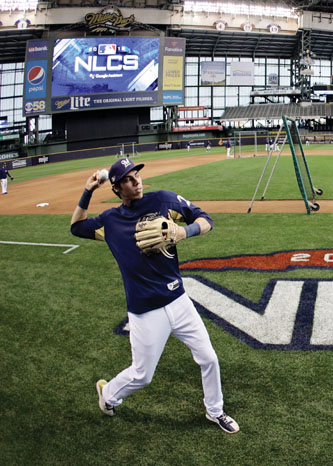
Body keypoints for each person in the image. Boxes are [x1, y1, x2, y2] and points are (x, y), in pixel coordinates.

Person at [69, 158, 239, 435]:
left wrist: (183, 231)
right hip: (145, 310)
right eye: (127, 179)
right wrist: (88, 190)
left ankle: (215, 411)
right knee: (142, 375)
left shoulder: (163, 200)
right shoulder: (110, 221)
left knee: (209, 358)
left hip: (179, 301)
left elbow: (205, 219)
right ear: (116, 189)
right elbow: (77, 227)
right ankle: (108, 394)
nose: (135, 181)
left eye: (135, 174)